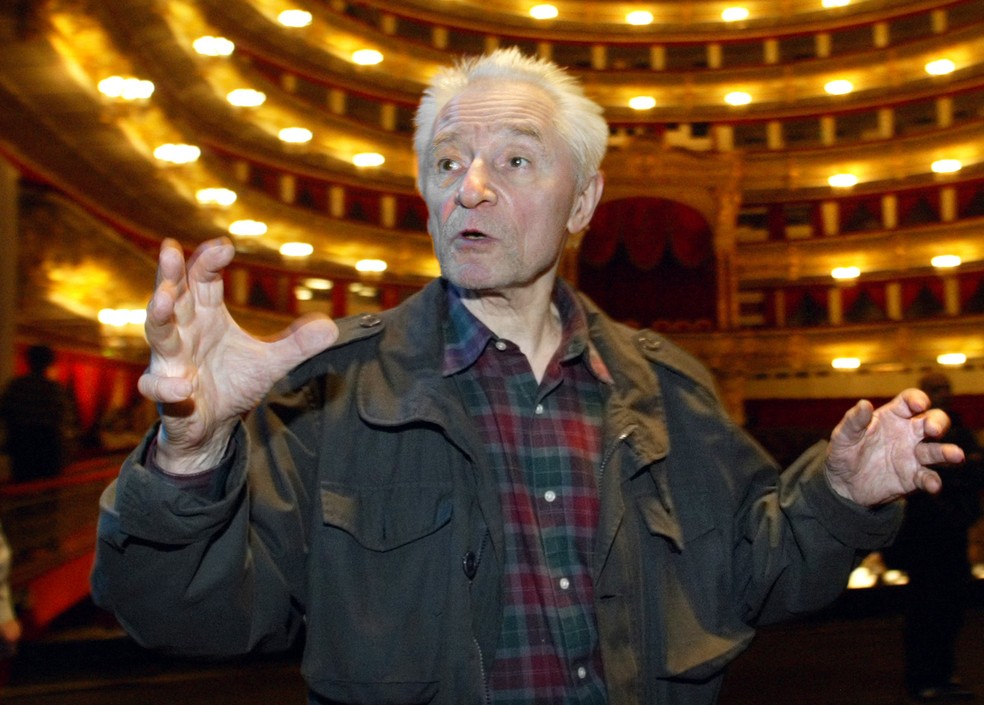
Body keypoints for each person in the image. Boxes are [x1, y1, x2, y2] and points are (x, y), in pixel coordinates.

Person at [91, 48, 965, 705]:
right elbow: (182, 618)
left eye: (514, 160)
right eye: (446, 162)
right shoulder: (332, 390)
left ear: (582, 202)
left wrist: (841, 494)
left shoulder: (670, 387)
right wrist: (191, 456)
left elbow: (753, 572)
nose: (470, 187)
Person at [889, 372, 983, 702]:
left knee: (952, 610)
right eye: (936, 389)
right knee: (925, 611)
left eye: (947, 388)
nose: (944, 394)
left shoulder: (959, 429)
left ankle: (944, 674)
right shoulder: (912, 432)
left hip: (953, 534)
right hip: (923, 537)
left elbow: (974, 473)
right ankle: (922, 678)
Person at [0, 345, 75, 483]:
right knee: (47, 494)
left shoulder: (16, 385)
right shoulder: (53, 389)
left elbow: (5, 413)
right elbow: (63, 420)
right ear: (49, 363)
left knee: (22, 492)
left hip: (21, 447)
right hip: (48, 448)